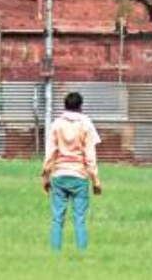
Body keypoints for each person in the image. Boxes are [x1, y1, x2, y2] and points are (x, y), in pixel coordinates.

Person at [41, 90, 101, 251]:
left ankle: (55, 254)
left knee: (57, 219)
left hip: (59, 175)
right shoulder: (86, 124)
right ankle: (82, 253)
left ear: (65, 106)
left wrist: (45, 176)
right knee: (80, 219)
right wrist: (96, 180)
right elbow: (90, 155)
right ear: (81, 106)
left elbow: (50, 153)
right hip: (79, 176)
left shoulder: (56, 124)